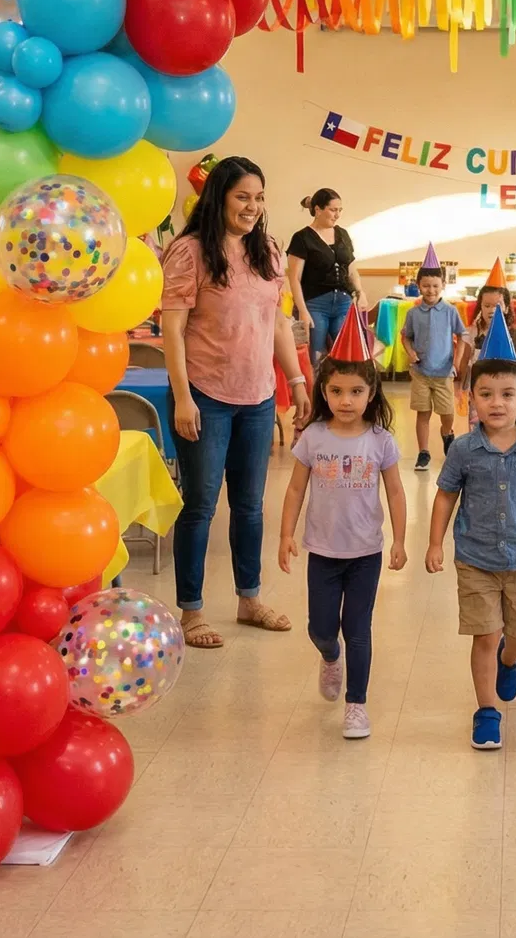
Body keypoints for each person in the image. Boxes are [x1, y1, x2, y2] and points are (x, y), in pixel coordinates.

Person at [161, 156, 311, 650]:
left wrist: (297, 380)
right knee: (201, 506)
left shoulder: (267, 249)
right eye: (242, 196)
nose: (252, 206)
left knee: (249, 506)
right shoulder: (189, 252)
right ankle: (192, 611)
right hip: (205, 396)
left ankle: (250, 599)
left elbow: (277, 324)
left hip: (258, 397)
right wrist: (183, 398)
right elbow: (173, 329)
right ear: (219, 197)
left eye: (259, 197)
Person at [426, 354, 516, 751]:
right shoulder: (463, 449)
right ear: (471, 398)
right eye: (486, 394)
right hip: (475, 559)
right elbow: (445, 496)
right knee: (485, 634)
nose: (497, 403)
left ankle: (511, 660)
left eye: (507, 394)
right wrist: (435, 542)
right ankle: (486, 712)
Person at [278, 344, 408, 740]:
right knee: (320, 628)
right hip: (322, 551)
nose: (345, 400)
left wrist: (399, 540)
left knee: (358, 628)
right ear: (324, 392)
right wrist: (286, 534)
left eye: (355, 391)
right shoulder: (314, 436)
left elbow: (397, 492)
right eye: (335, 391)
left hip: (365, 552)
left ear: (371, 393)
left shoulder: (380, 439)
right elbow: (296, 489)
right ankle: (330, 657)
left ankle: (356, 705)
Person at [401, 265, 465, 472]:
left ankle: (447, 433)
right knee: (423, 412)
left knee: (447, 412)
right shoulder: (413, 313)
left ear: (443, 286)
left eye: (435, 286)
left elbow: (461, 336)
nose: (431, 290)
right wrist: (410, 352)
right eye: (426, 285)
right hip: (420, 372)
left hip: (444, 372)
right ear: (418, 285)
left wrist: (456, 362)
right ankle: (424, 452)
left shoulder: (450, 311)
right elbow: (406, 337)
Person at [286, 189, 361, 365]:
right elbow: (294, 278)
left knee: (346, 352)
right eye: (333, 210)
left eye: (340, 210)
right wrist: (303, 311)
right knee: (316, 355)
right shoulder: (302, 238)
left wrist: (360, 291)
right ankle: (315, 391)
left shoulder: (342, 234)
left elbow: (351, 269)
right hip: (315, 304)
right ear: (318, 210)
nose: (337, 215)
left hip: (343, 301)